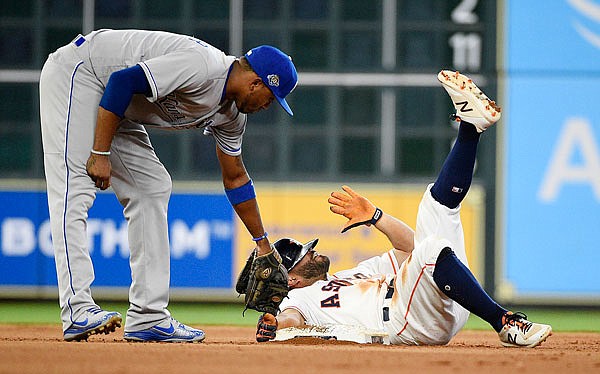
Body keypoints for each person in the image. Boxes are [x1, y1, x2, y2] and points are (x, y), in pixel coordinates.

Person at [256, 70, 552, 348]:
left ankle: (470, 127)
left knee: (435, 206)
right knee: (432, 248)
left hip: (434, 305)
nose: (311, 252)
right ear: (291, 278)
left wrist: (376, 217)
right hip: (403, 323)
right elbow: (289, 320)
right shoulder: (300, 299)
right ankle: (505, 321)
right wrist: (275, 325)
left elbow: (412, 247)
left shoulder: (354, 274)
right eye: (302, 254)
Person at [39, 29, 297, 342]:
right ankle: (77, 308)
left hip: (118, 105)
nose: (267, 106)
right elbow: (122, 81)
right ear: (256, 82)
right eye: (271, 98)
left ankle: (148, 316)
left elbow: (236, 177)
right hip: (81, 72)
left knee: (152, 186)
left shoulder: (232, 117)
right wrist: (100, 152)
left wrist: (263, 243)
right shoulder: (203, 66)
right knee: (74, 188)